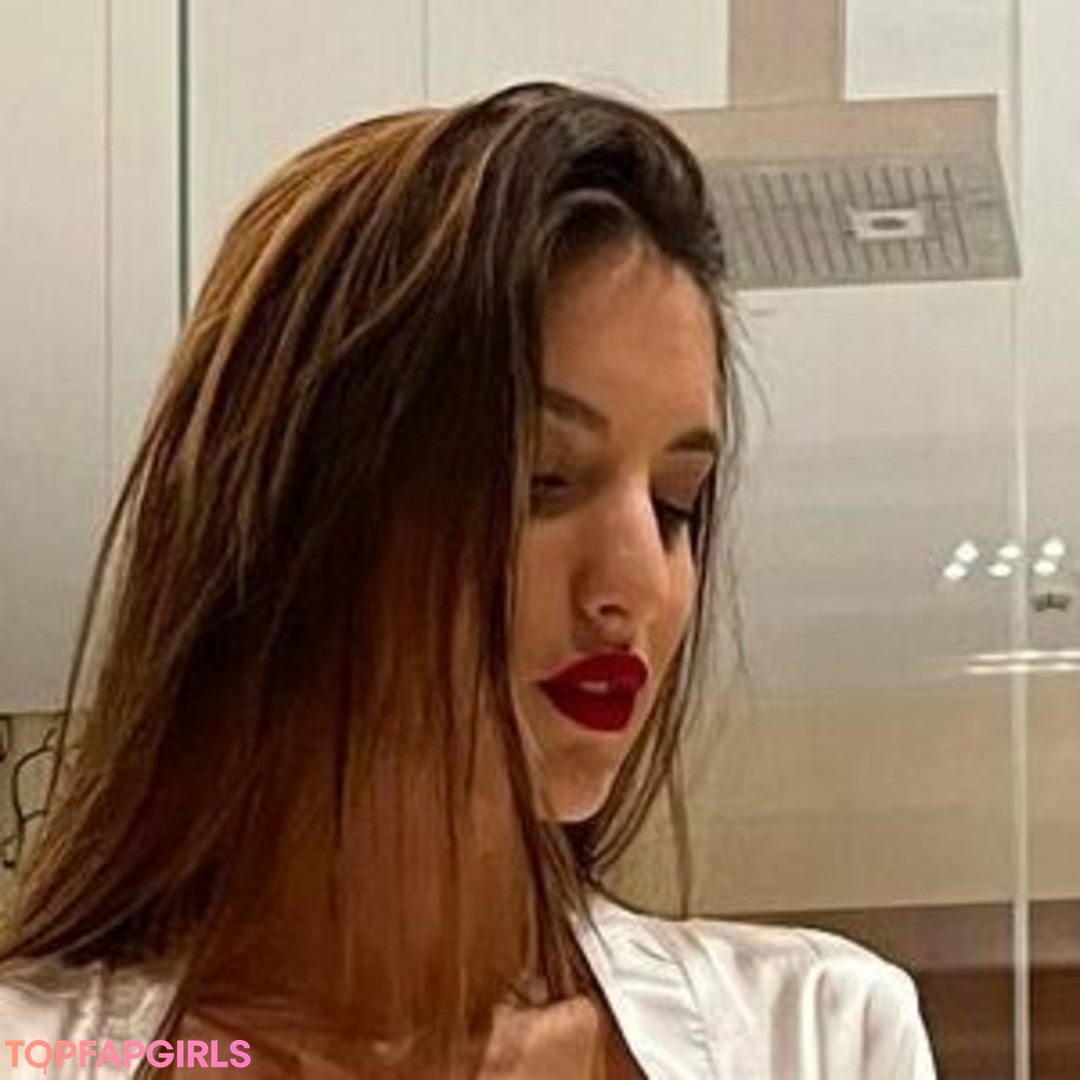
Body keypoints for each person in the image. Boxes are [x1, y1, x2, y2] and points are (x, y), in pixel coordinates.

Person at [0, 82, 936, 1078]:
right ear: (302, 515)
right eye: (543, 480)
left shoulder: (816, 1037)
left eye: (675, 503)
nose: (637, 584)